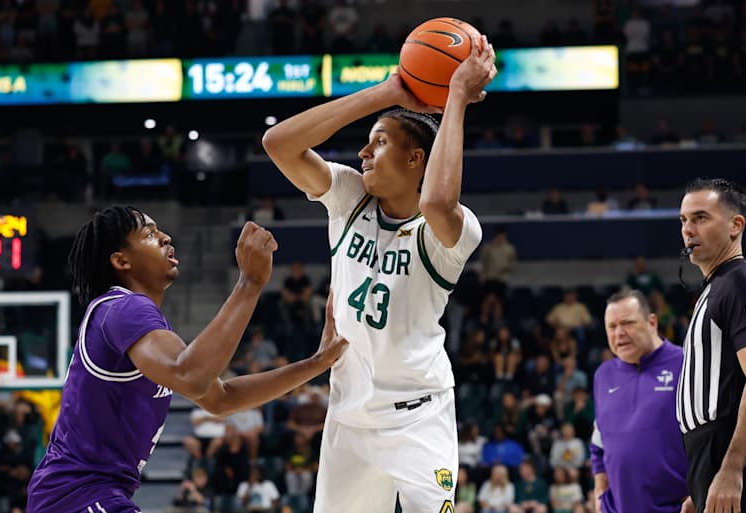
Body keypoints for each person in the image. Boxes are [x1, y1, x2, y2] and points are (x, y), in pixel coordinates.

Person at [262, 30, 497, 513]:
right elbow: (278, 143)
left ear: (416, 159)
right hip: (348, 416)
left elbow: (435, 198)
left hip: (417, 418)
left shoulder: (453, 230)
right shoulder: (349, 197)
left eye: (379, 142)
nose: (363, 154)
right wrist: (389, 92)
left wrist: (455, 97)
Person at [26, 206, 348, 513]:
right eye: (149, 234)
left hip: (88, 495)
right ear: (121, 261)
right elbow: (189, 374)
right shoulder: (122, 308)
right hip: (76, 496)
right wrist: (249, 284)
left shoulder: (140, 325)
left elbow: (221, 398)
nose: (165, 237)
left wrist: (316, 363)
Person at [677, 178, 746, 513]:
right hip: (711, 453)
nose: (688, 229)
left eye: (700, 218)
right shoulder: (718, 287)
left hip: (731, 450)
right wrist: (702, 484)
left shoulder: (742, 283)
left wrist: (732, 468)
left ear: (736, 225)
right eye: (683, 221)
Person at [590, 289, 688, 513]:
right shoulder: (603, 375)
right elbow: (598, 445)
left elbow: (714, 438)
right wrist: (599, 496)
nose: (619, 333)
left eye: (627, 323)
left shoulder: (686, 363)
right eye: (612, 327)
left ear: (652, 322)